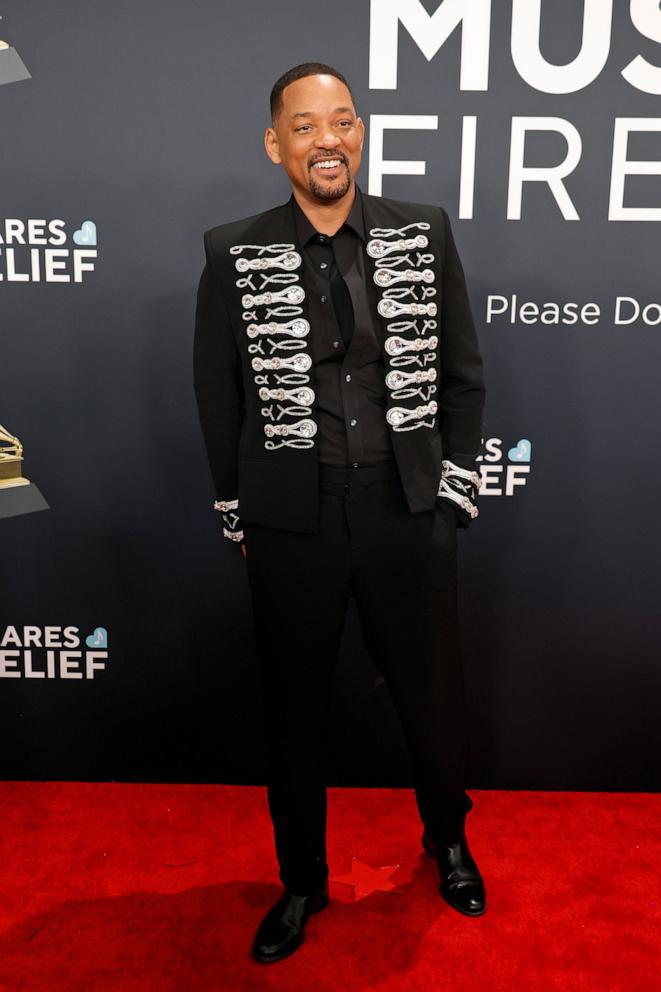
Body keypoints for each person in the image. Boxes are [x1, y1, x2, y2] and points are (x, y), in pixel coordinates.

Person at [193, 61, 487, 965]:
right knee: (293, 709)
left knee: (430, 696)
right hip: (293, 518)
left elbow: (462, 373)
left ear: (359, 133)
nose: (330, 139)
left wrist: (452, 492)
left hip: (404, 507)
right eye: (308, 125)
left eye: (344, 121)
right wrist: (241, 513)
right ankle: (301, 880)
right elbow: (220, 392)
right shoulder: (232, 250)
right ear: (276, 143)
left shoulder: (421, 232)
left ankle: (447, 840)